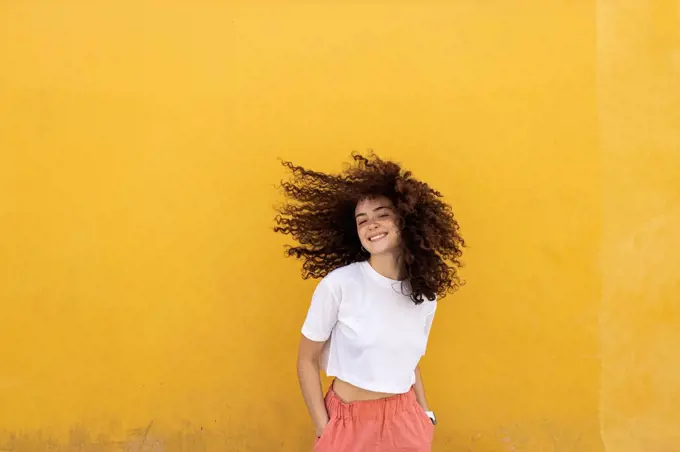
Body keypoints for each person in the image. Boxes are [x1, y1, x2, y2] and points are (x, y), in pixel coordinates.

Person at [274, 152, 465, 452]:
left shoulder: (425, 295)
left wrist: (425, 415)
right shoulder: (339, 285)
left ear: (405, 219)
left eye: (382, 215)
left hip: (406, 422)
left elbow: (409, 363)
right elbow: (306, 360)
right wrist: (325, 429)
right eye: (362, 220)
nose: (371, 225)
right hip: (348, 425)